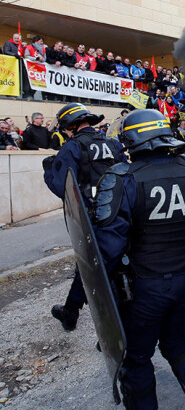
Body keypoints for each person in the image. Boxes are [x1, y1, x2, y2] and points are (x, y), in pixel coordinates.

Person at [93, 109, 185, 410]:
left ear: (132, 139)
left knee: (136, 358)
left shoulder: (121, 177)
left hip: (143, 287)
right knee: (180, 344)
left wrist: (102, 296)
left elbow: (108, 249)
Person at [44, 103, 126, 331]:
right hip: (120, 213)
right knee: (103, 265)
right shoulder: (113, 144)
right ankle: (71, 311)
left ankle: (115, 329)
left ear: (70, 127)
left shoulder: (72, 148)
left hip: (93, 219)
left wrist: (49, 170)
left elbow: (62, 187)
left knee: (95, 267)